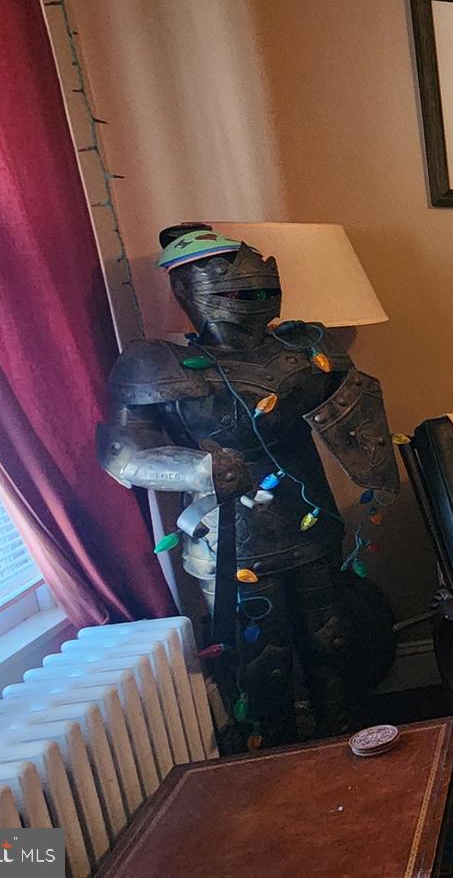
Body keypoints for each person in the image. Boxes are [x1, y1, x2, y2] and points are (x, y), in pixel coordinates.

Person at [98, 224, 397, 749]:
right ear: (188, 292)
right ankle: (277, 760)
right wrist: (196, 471)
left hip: (310, 517)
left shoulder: (305, 347)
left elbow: (354, 416)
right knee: (262, 659)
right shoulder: (155, 364)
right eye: (240, 293)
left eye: (264, 291)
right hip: (226, 531)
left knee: (334, 640)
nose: (256, 303)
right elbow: (124, 454)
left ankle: (348, 741)